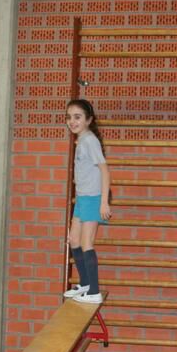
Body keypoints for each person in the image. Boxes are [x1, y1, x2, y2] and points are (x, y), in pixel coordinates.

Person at [63, 98, 111, 304]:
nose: (72, 121)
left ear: (88, 120)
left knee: (86, 243)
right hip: (83, 198)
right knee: (74, 240)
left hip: (93, 198)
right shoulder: (81, 140)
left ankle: (94, 291)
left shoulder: (90, 140)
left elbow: (104, 171)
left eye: (77, 117)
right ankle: (85, 284)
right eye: (69, 117)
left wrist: (104, 202)